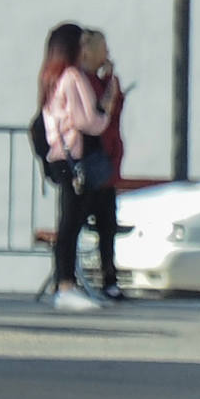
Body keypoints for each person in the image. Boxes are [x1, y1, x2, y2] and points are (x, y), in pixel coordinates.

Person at [38, 21, 115, 311]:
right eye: (82, 43)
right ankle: (66, 284)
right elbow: (88, 122)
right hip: (75, 156)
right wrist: (105, 109)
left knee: (69, 222)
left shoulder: (50, 76)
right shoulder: (73, 76)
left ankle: (66, 283)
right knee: (72, 222)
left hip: (60, 156)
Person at [78, 29, 127, 301]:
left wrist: (110, 78)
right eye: (103, 48)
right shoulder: (82, 82)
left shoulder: (102, 80)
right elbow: (100, 113)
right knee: (77, 221)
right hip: (91, 163)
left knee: (108, 226)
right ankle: (69, 279)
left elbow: (115, 110)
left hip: (107, 166)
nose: (107, 54)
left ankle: (110, 279)